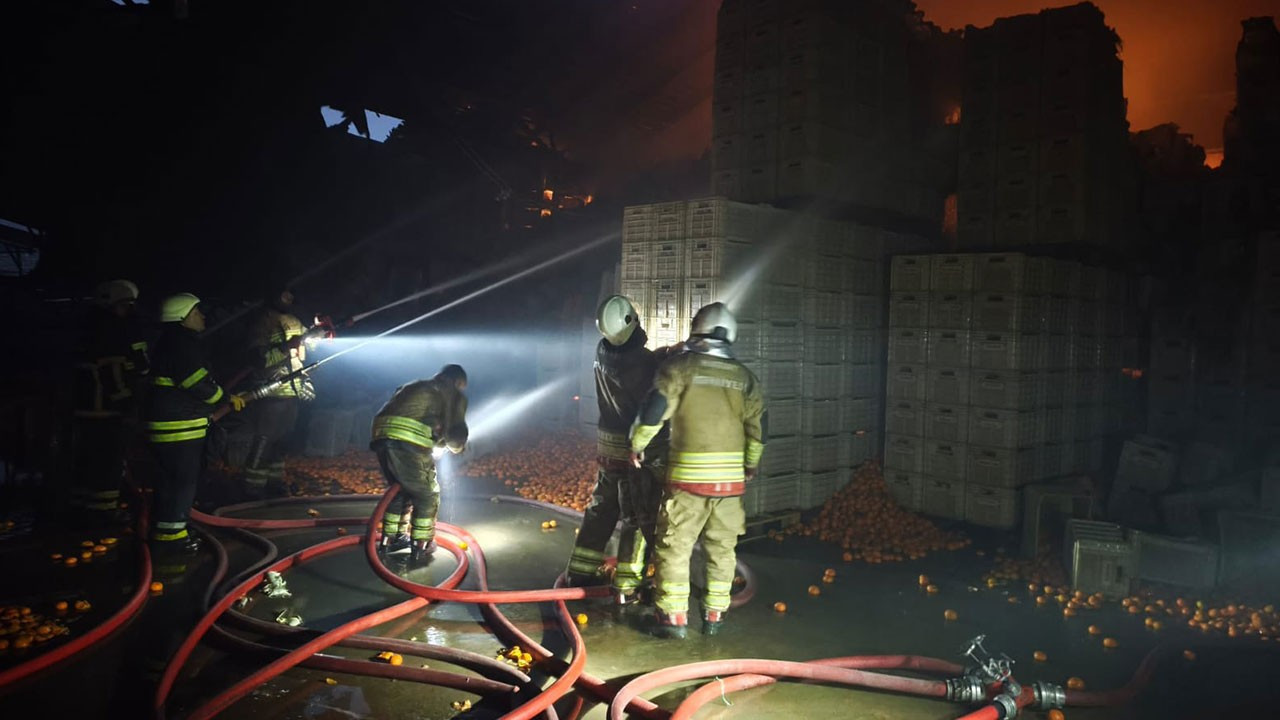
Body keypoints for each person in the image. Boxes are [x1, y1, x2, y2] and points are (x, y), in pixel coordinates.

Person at [629, 302, 765, 638]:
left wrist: (637, 444)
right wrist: (750, 465)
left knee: (674, 547)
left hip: (688, 483)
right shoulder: (746, 379)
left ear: (696, 329)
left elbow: (653, 412)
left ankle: (674, 619)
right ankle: (715, 616)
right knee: (722, 549)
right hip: (730, 486)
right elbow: (758, 429)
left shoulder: (678, 369)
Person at [564, 295, 669, 603]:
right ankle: (627, 583)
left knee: (602, 507)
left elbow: (636, 361)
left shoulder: (603, 349)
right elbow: (652, 389)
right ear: (630, 322)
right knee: (636, 513)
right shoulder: (642, 363)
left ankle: (580, 570)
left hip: (607, 443)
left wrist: (659, 354)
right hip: (632, 447)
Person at [145, 293, 245, 555]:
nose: (202, 316)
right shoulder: (183, 345)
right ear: (184, 315)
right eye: (197, 312)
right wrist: (225, 398)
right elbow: (196, 383)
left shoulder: (169, 342)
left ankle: (168, 530)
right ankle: (172, 540)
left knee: (170, 482)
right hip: (180, 428)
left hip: (169, 425)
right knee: (182, 482)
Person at [69, 279, 152, 525]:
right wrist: (126, 404)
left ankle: (81, 509)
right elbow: (115, 372)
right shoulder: (112, 331)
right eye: (125, 306)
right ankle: (103, 513)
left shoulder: (91, 327)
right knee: (107, 462)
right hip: (106, 409)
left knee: (87, 461)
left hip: (87, 408)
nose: (128, 311)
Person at [370, 364, 468, 563]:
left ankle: (391, 539)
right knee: (427, 494)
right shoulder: (453, 394)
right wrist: (458, 448)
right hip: (409, 442)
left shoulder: (414, 386)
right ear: (457, 382)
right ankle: (421, 545)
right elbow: (456, 433)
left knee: (400, 490)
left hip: (381, 437)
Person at [240, 288, 314, 499]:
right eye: (283, 295)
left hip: (292, 390)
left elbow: (309, 345)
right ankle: (251, 488)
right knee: (264, 441)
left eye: (291, 295)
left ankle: (275, 483)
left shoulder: (294, 320)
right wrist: (284, 348)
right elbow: (258, 359)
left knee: (283, 442)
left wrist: (318, 332)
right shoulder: (262, 322)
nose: (288, 299)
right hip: (270, 392)